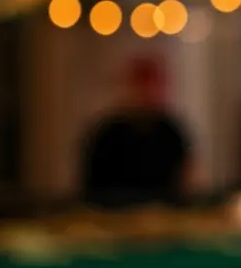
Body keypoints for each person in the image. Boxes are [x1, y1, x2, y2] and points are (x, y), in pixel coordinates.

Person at [80, 57, 192, 209]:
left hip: (163, 214)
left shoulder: (170, 131)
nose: (147, 93)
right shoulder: (107, 133)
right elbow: (91, 187)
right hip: (114, 214)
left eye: (153, 86)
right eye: (142, 86)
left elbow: (185, 181)